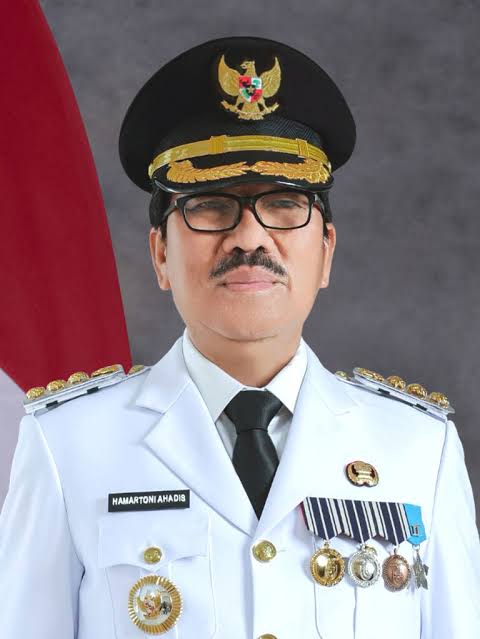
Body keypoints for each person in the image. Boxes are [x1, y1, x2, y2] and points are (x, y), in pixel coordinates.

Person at [0, 36, 479, 639]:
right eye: (209, 205)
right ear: (160, 255)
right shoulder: (68, 444)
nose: (249, 238)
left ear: (326, 252)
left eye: (284, 205)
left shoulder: (419, 449)